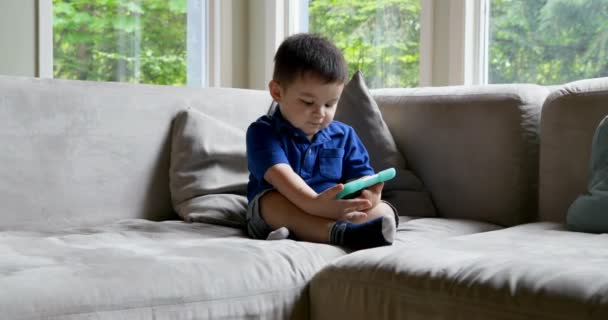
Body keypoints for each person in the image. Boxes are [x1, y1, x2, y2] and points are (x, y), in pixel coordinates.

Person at [245, 33, 398, 250]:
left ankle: (344, 230)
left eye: (330, 104)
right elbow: (282, 178)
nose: (319, 113)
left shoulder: (344, 135)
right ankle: (338, 234)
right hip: (285, 209)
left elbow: (361, 175)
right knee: (270, 202)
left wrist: (369, 194)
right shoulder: (262, 132)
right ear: (277, 92)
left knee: (385, 210)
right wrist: (315, 205)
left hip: (335, 212)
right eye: (308, 102)